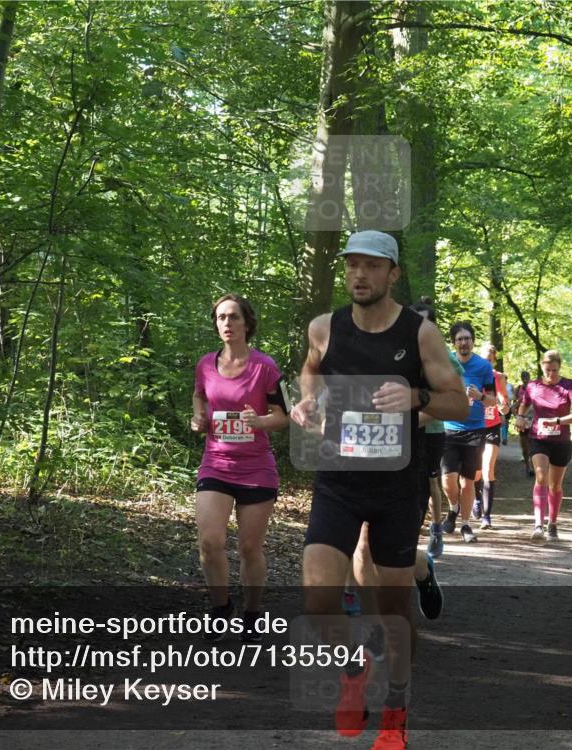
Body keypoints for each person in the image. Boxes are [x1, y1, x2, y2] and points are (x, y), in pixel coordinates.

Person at [291, 230, 467, 750]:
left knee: (392, 611)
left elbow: (458, 404)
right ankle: (353, 665)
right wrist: (307, 402)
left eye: (371, 266)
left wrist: (416, 396)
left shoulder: (419, 335)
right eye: (352, 266)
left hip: (396, 486)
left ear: (392, 274)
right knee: (319, 598)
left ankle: (395, 711)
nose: (359, 276)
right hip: (338, 481)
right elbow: (310, 369)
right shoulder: (324, 328)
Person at [191, 294, 288, 643]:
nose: (226, 324)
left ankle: (253, 612)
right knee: (210, 541)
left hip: (256, 467)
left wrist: (258, 421)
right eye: (220, 318)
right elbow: (200, 395)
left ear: (247, 323)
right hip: (215, 463)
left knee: (249, 547)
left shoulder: (265, 367)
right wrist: (197, 416)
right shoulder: (205, 364)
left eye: (233, 317)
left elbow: (283, 416)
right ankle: (220, 607)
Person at [410, 301, 462, 560]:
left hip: (433, 430)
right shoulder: (401, 351)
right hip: (405, 432)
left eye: (426, 322)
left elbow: (455, 389)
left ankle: (436, 528)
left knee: (431, 481)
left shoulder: (443, 355)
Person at [515, 350, 572, 542]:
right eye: (547, 370)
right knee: (541, 475)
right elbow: (524, 404)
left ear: (559, 368)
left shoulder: (568, 386)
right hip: (538, 438)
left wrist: (558, 421)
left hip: (561, 442)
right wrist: (521, 417)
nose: (551, 374)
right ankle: (538, 525)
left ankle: (552, 523)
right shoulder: (532, 386)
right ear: (541, 367)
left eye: (554, 370)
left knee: (555, 484)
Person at [440, 322, 498, 543]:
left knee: (468, 481)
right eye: (459, 339)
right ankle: (453, 508)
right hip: (449, 429)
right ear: (454, 343)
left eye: (467, 339)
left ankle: (465, 524)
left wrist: (480, 396)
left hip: (475, 430)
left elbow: (493, 401)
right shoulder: (446, 364)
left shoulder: (483, 367)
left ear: (473, 341)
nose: (464, 343)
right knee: (448, 480)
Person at [473, 343, 509, 530]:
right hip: (473, 427)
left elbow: (505, 403)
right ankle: (477, 499)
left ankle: (486, 516)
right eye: (483, 359)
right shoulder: (472, 375)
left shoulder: (499, 377)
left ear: (493, 360)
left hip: (492, 427)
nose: (486, 363)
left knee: (488, 469)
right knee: (475, 472)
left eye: (490, 360)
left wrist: (504, 407)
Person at [512, 370, 535, 477]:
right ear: (521, 377)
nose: (525, 377)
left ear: (530, 377)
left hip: (534, 422)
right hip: (523, 422)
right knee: (525, 447)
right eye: (523, 376)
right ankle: (527, 467)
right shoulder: (519, 389)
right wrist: (518, 417)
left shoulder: (535, 388)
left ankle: (533, 467)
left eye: (527, 376)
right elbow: (513, 406)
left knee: (534, 446)